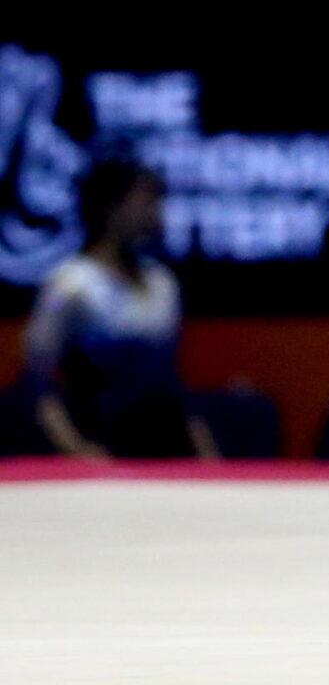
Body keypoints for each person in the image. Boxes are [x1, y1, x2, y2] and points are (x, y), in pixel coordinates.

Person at [20, 160, 218, 461]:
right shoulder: (65, 286)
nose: (156, 215)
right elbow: (38, 384)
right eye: (145, 202)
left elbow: (173, 387)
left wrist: (205, 454)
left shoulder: (162, 284)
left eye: (158, 203)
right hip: (100, 446)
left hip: (165, 450)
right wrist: (76, 450)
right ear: (109, 208)